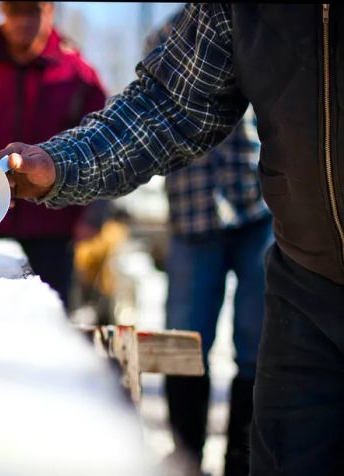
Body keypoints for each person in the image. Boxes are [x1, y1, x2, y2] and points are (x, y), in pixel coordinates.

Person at [0, 4, 344, 475]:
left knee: (246, 344)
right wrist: (61, 163)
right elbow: (167, 105)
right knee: (195, 335)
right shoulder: (222, 14)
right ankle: (186, 459)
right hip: (296, 272)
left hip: (251, 212)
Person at [141, 15, 275, 475]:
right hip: (192, 213)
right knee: (183, 338)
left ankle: (242, 459)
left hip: (256, 205)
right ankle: (184, 459)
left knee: (258, 341)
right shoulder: (165, 37)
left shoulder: (258, 25)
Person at [0, 1, 107, 309]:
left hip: (54, 229)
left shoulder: (80, 76)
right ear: (2, 12)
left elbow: (102, 145)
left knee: (48, 319)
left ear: (50, 11)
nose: (23, 21)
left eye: (33, 11)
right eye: (15, 11)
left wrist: (93, 215)